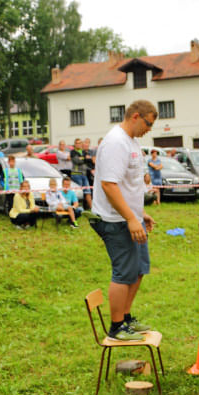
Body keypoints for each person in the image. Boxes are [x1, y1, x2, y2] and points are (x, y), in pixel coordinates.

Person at [89, 101, 157, 342]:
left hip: (129, 217)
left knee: (139, 268)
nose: (149, 129)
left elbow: (130, 183)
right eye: (148, 123)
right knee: (124, 272)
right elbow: (109, 184)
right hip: (114, 219)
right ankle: (116, 326)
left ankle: (126, 318)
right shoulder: (115, 142)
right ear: (136, 116)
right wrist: (130, 218)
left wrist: (139, 214)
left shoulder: (132, 141)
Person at [70, 138, 92, 209]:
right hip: (76, 174)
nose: (78, 144)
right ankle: (79, 208)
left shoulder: (83, 152)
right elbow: (77, 161)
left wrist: (83, 158)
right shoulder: (73, 152)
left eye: (79, 143)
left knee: (88, 192)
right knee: (79, 193)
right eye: (77, 143)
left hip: (84, 174)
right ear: (75, 144)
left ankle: (92, 209)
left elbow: (89, 160)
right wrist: (85, 158)